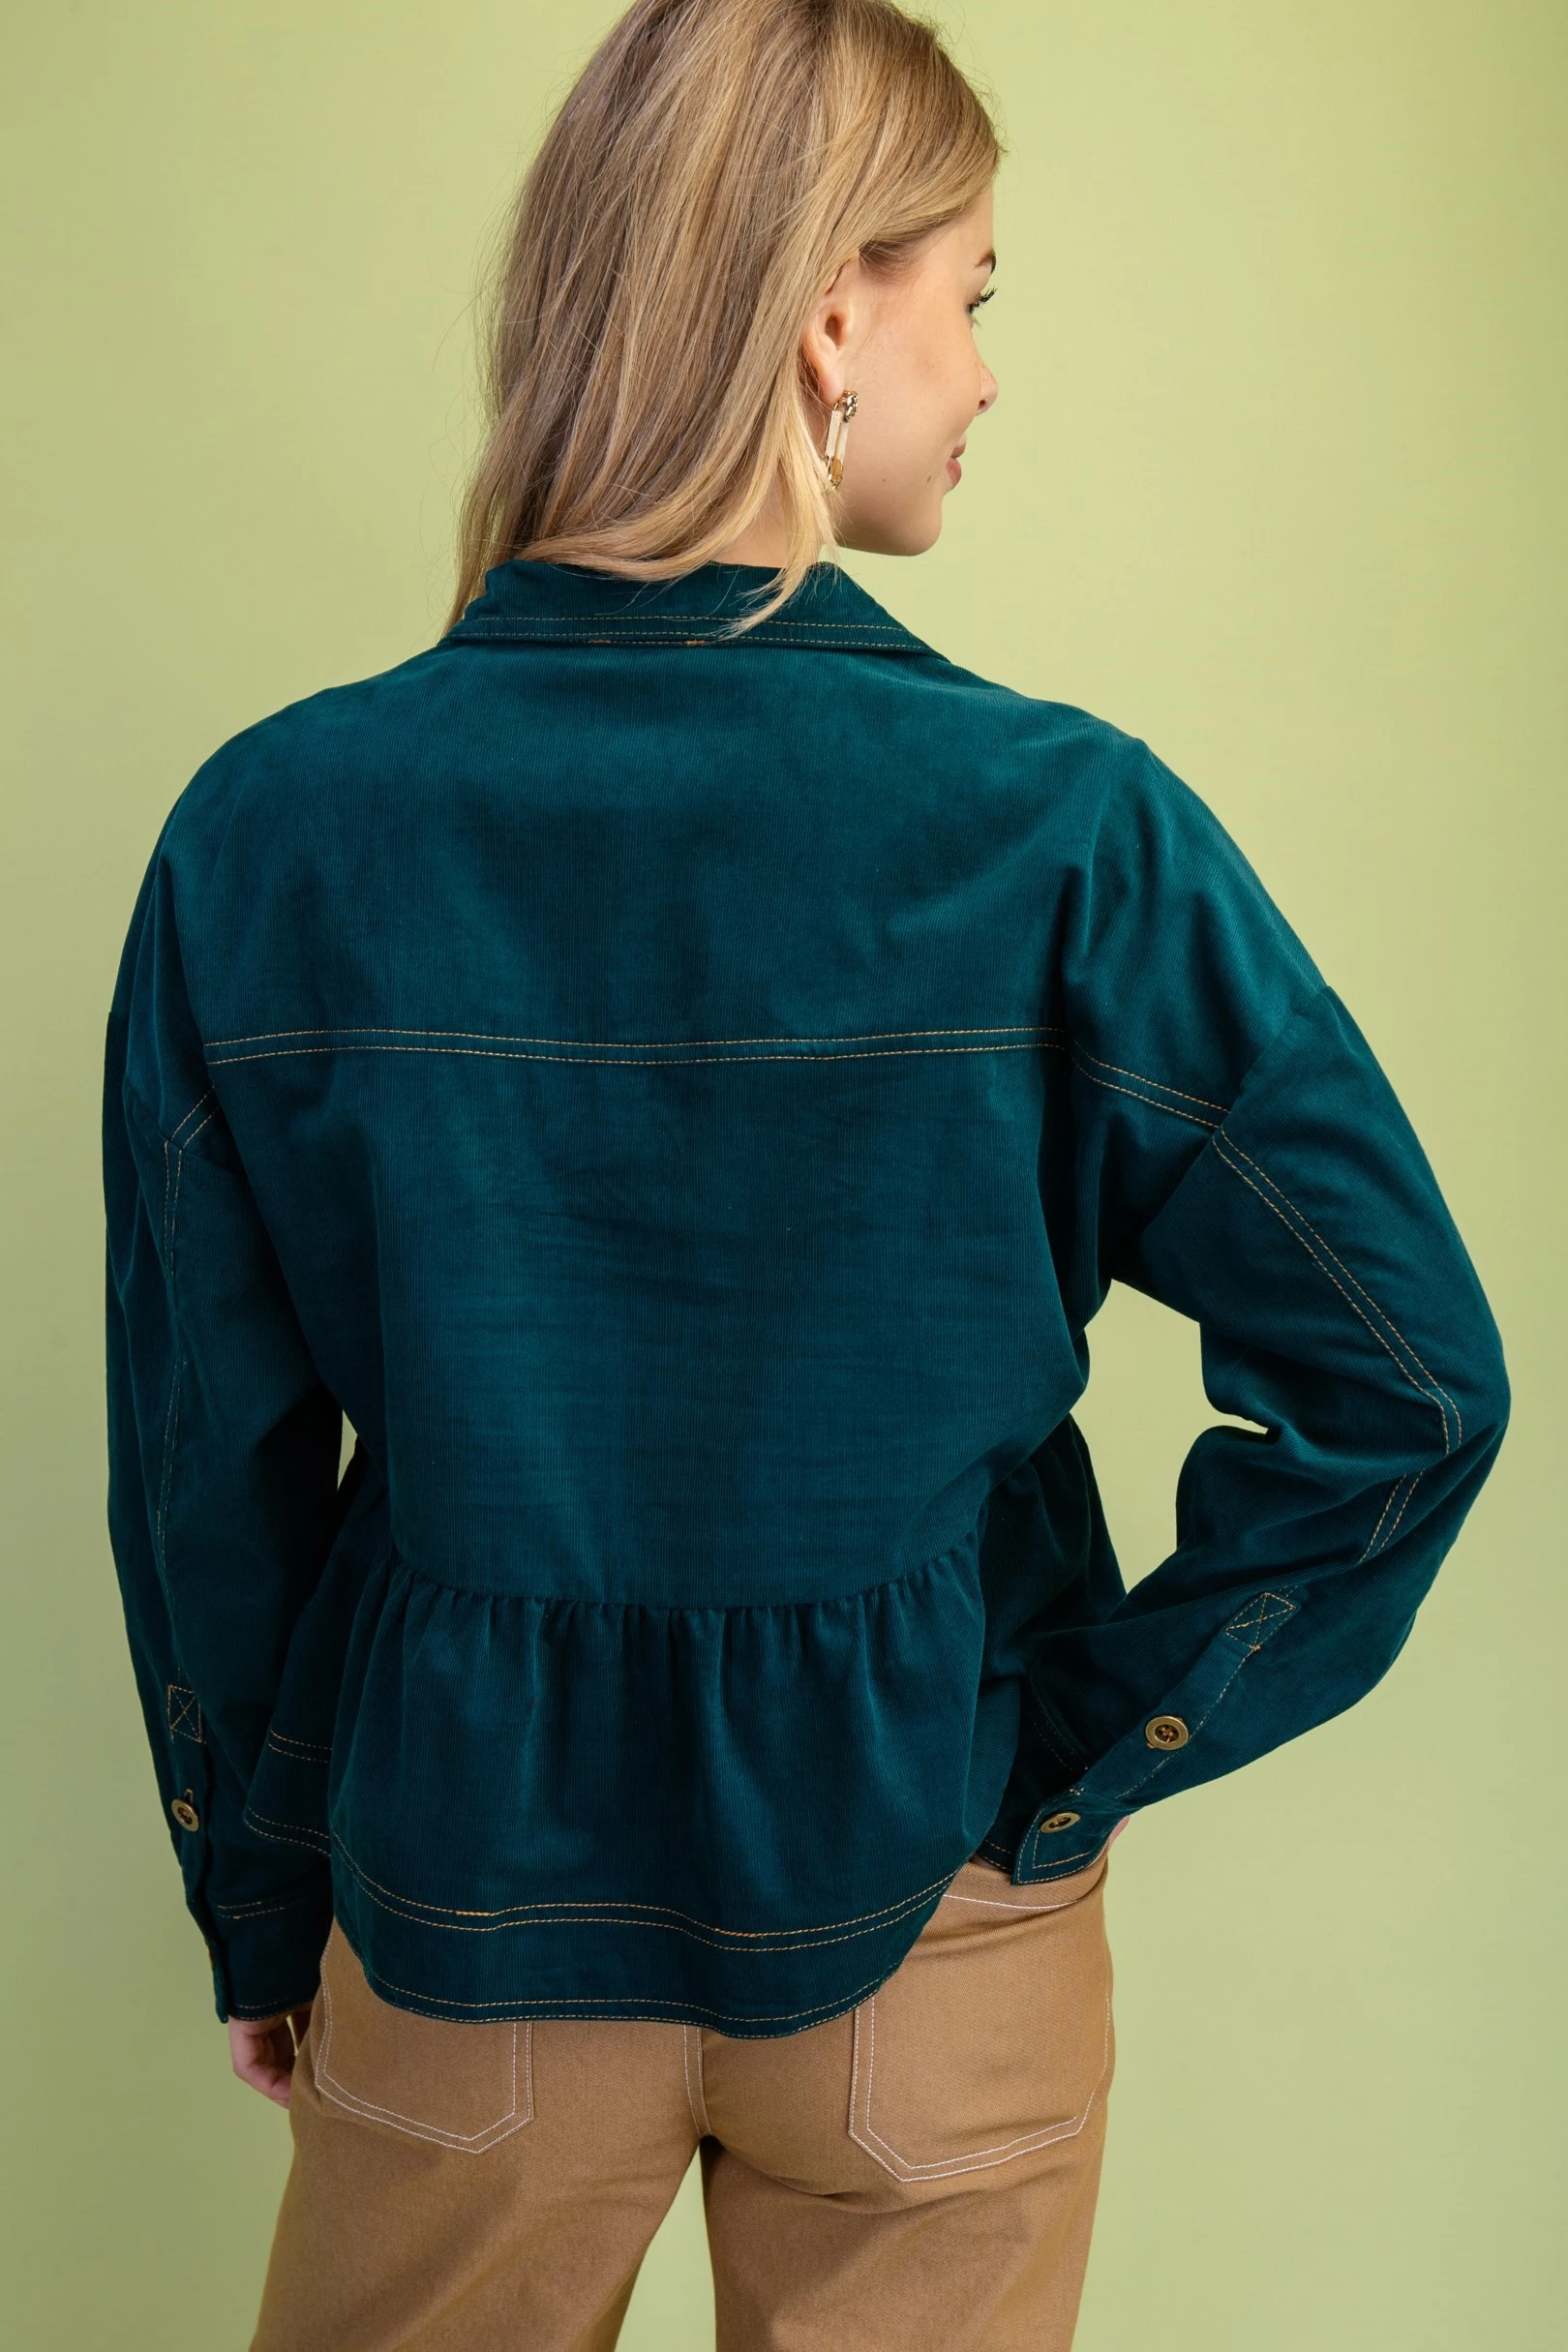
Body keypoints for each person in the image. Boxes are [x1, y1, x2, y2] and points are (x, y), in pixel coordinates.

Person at [101, 2, 1508, 2345]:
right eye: (973, 291)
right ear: (832, 314)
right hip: (927, 1931)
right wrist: (1070, 1759)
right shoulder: (1070, 831)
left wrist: (258, 1898)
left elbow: (206, 1470)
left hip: (460, 1936)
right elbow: (1412, 1386)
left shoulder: (270, 831)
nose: (987, 369)